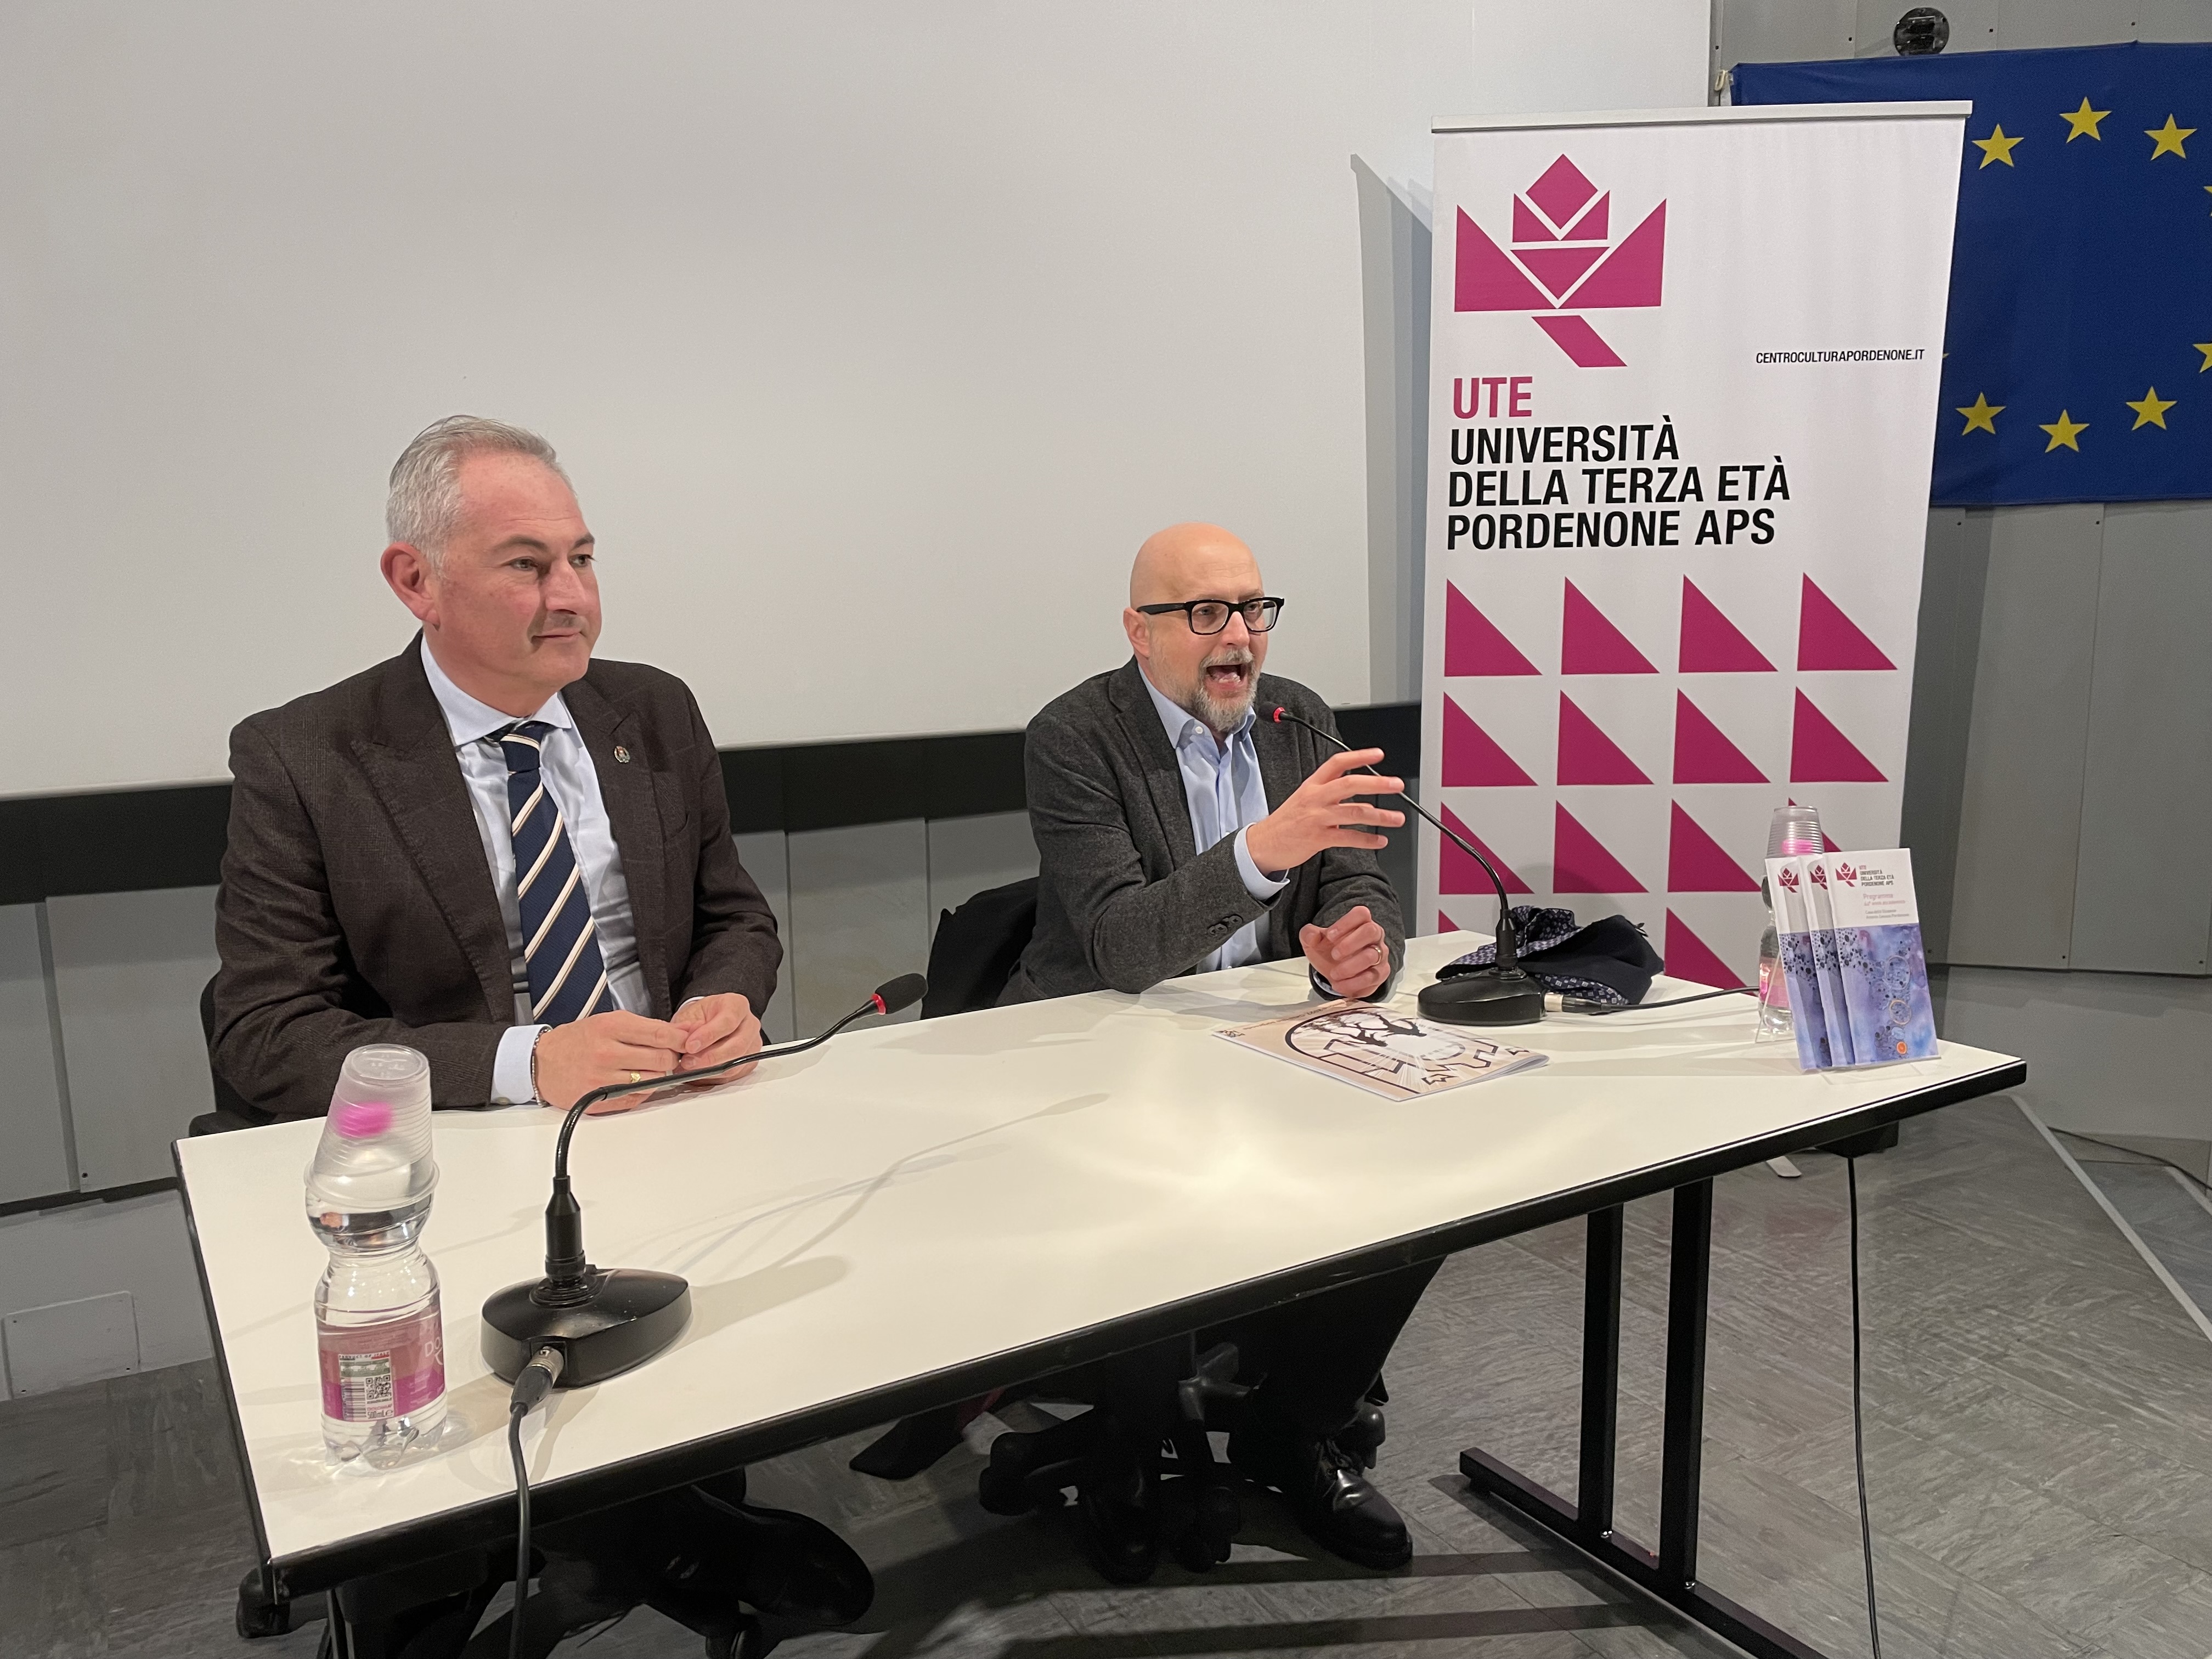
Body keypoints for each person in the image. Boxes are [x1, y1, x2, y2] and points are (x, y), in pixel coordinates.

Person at [208, 416, 868, 1653]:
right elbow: (267, 1031)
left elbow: (734, 917)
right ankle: (465, 1578)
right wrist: (525, 1060)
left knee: (750, 1337)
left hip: (669, 1128)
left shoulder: (650, 711)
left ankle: (663, 1522)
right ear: (416, 580)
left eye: (583, 558)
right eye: (527, 565)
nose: (573, 597)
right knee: (441, 1513)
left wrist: (725, 1001)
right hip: (464, 1170)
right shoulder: (308, 757)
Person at [1002, 521, 1440, 1574]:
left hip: (1265, 1039)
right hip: (1106, 1047)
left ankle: (1296, 1429)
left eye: (1253, 609)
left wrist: (1359, 948)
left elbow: (1357, 878)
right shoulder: (1076, 736)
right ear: (1139, 631)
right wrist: (1265, 850)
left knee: (1431, 1177)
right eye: (1206, 613)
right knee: (1156, 1189)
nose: (1239, 636)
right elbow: (1122, 946)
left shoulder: (1299, 717)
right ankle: (1127, 1446)